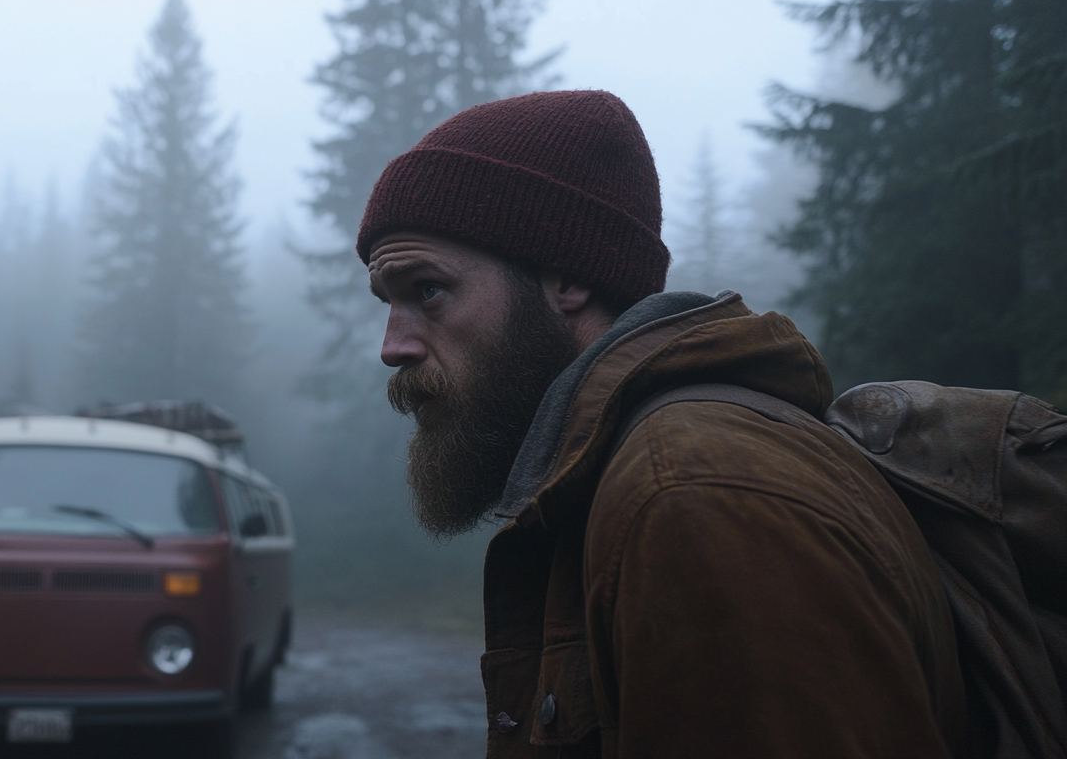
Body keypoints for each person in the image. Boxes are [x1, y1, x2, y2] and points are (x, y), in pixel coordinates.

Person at [360, 91, 966, 759]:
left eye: (429, 291)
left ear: (567, 277)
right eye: (388, 301)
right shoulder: (625, 479)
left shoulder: (693, 497)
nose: (393, 346)